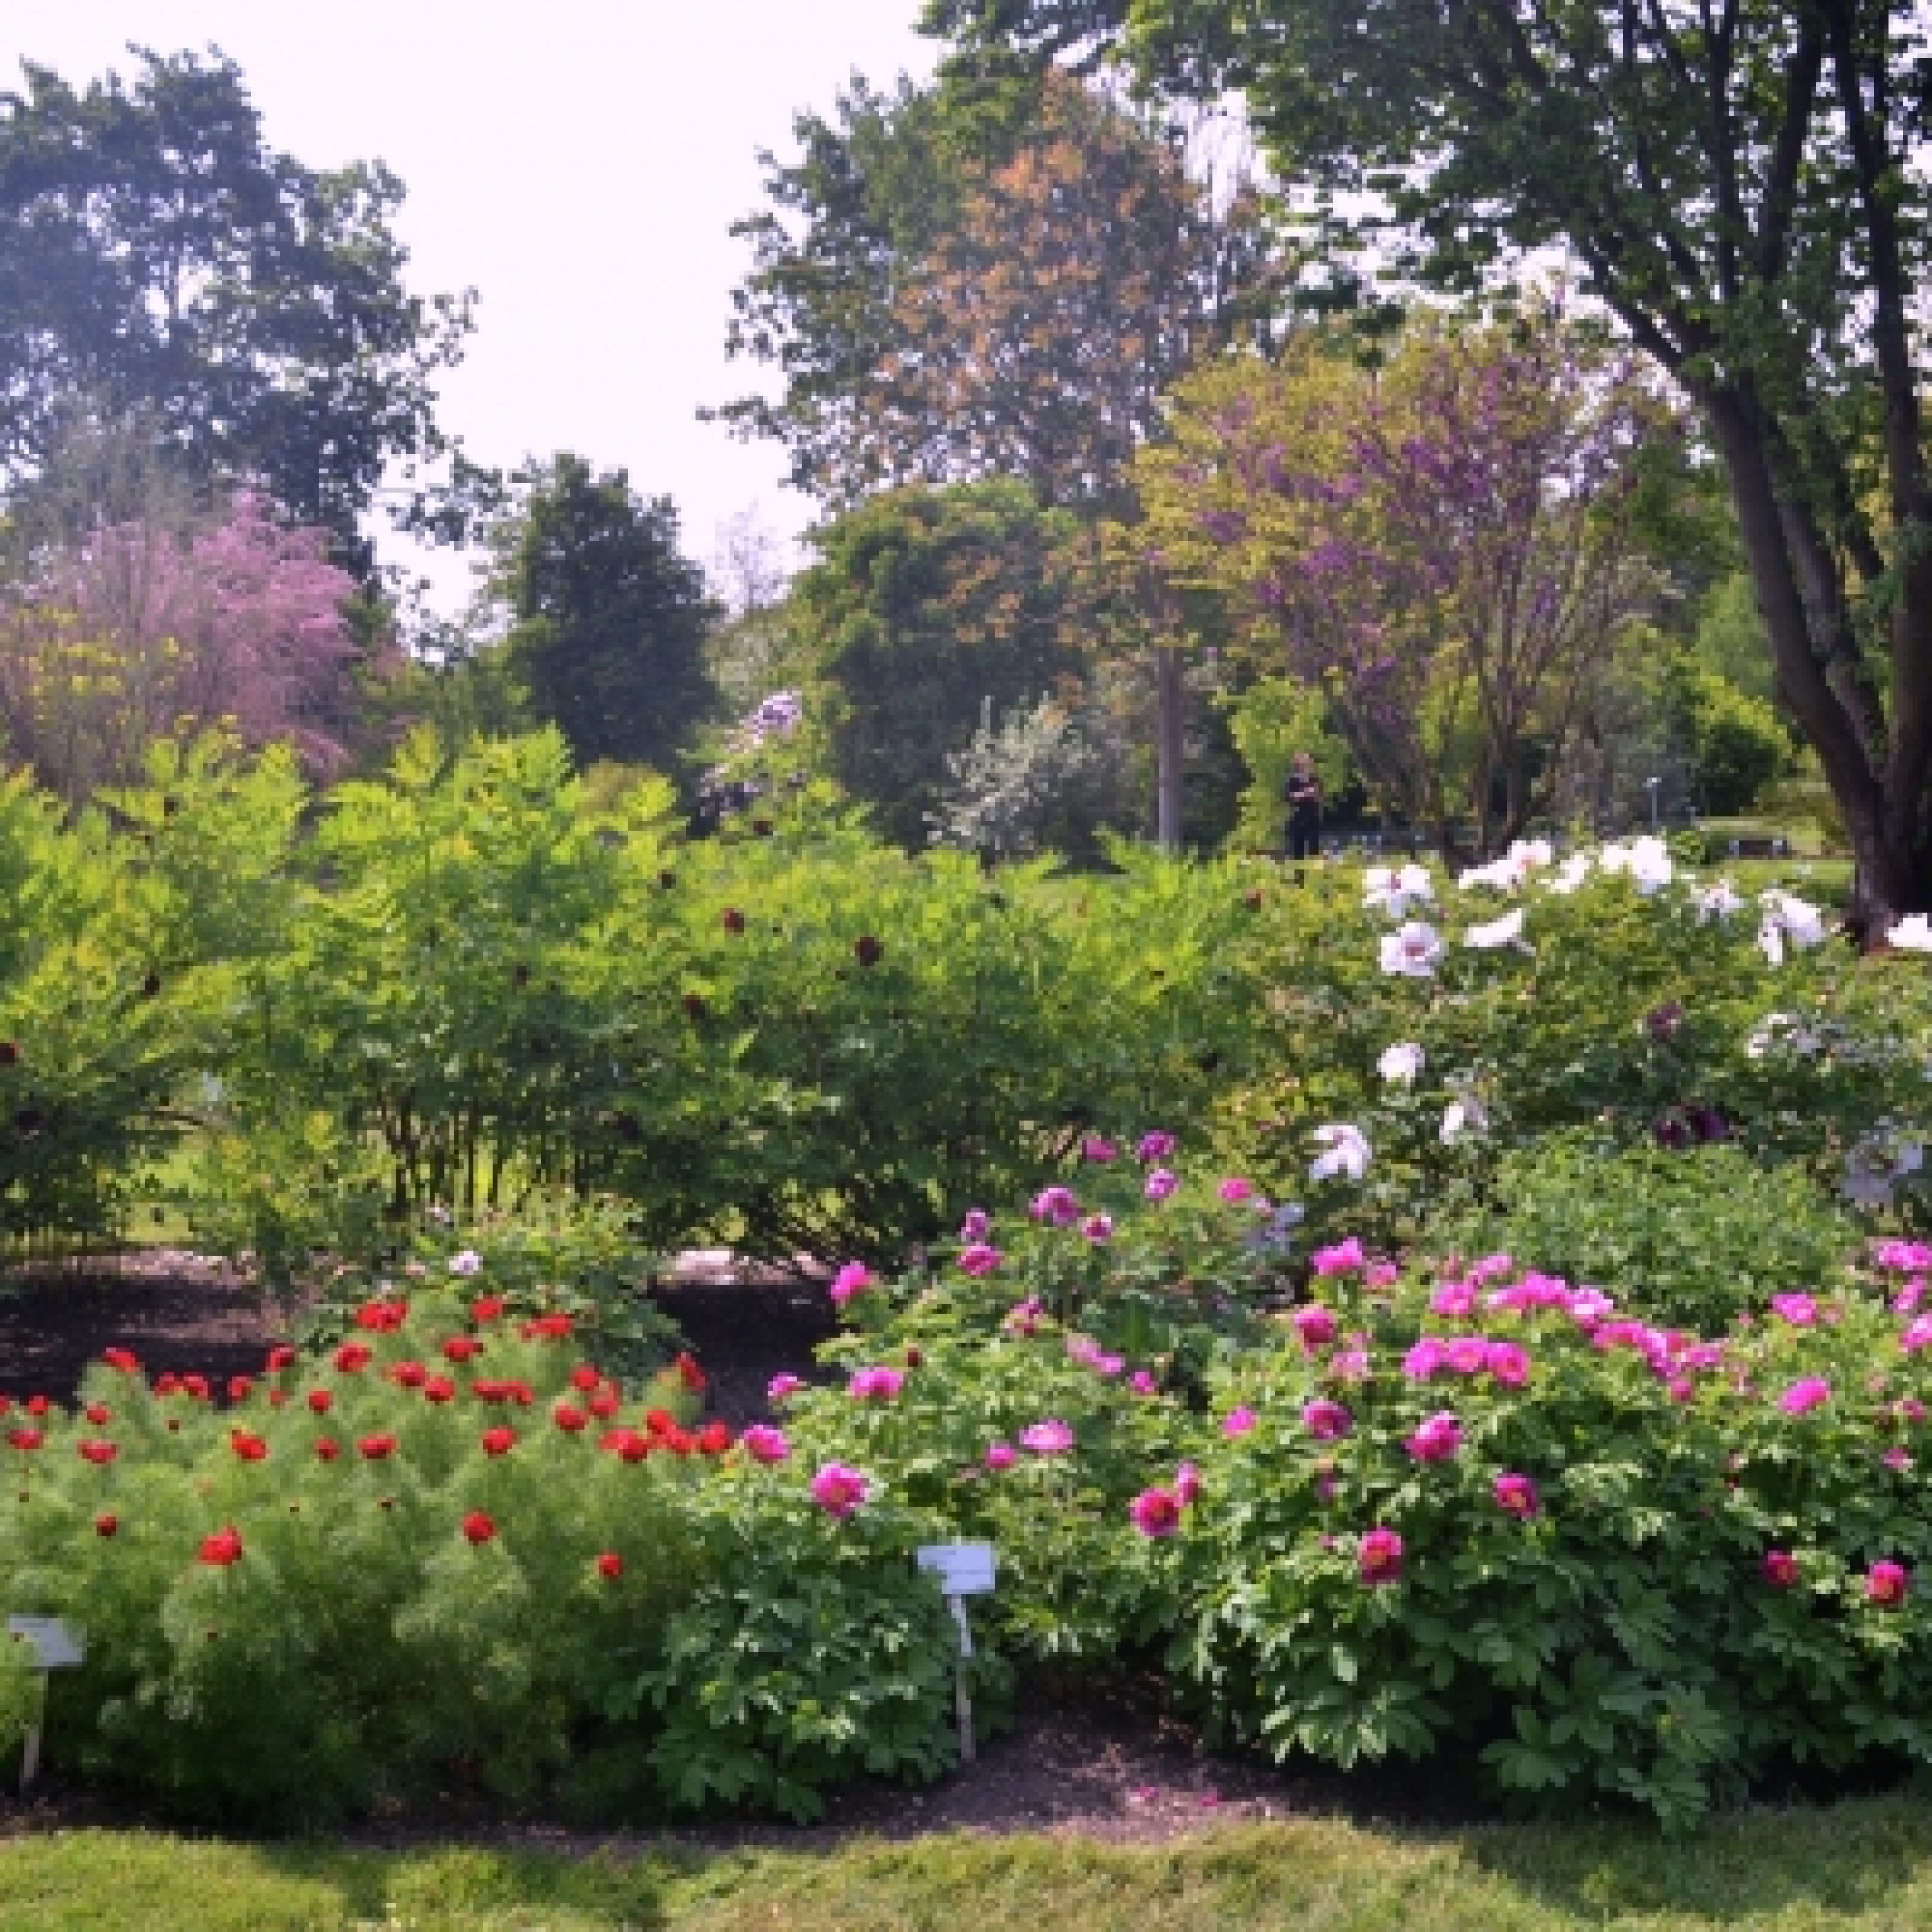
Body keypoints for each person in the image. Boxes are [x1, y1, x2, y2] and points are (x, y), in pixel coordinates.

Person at [1283, 752, 1322, 862]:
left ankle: (1314, 875)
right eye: (1305, 760)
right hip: (1298, 816)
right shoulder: (1293, 779)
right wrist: (1305, 793)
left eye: (1309, 761)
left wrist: (1315, 793)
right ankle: (1298, 877)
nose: (1308, 763)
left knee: (1314, 848)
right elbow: (1289, 797)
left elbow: (1319, 797)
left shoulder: (1314, 779)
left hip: (1313, 816)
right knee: (1298, 850)